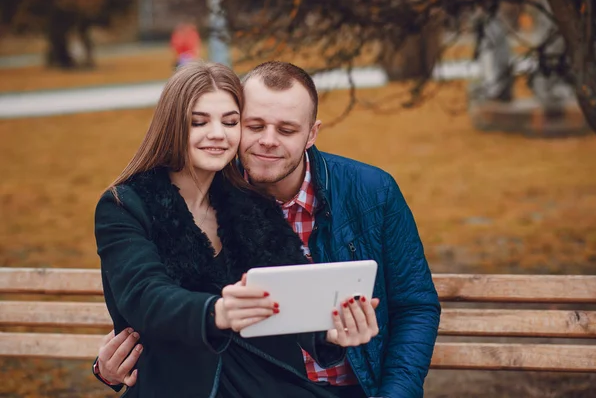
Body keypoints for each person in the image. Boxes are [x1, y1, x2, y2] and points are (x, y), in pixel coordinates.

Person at [94, 61, 441, 397]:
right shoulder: (145, 202)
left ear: (312, 134)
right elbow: (146, 294)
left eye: (286, 129)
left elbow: (407, 305)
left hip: (326, 384)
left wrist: (332, 335)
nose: (267, 141)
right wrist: (107, 366)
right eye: (253, 126)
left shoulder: (362, 193)